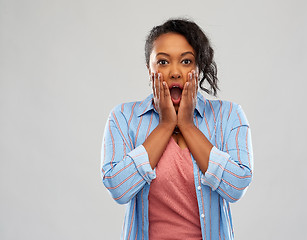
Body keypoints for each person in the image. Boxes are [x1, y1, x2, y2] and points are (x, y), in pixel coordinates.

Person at [101, 18, 253, 240]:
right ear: (148, 68)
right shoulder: (124, 117)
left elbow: (237, 186)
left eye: (186, 61)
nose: (174, 72)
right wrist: (164, 126)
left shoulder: (228, 115)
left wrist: (188, 126)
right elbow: (118, 189)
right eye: (163, 62)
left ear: (198, 66)